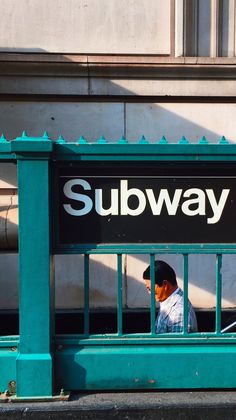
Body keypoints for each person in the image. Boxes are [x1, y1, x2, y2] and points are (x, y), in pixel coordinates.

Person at [143, 260, 198, 333]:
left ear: (165, 285)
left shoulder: (178, 312)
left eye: (150, 289)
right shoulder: (169, 300)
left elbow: (177, 344)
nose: (149, 293)